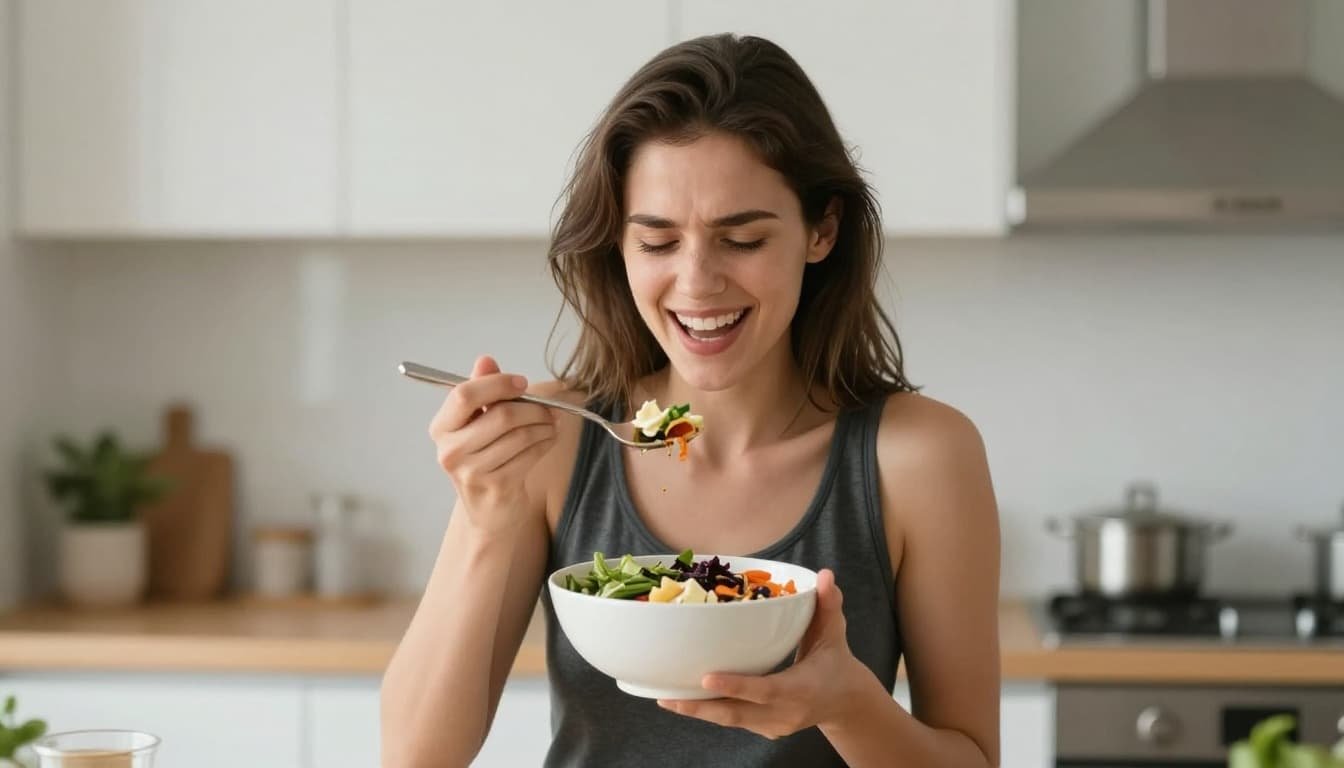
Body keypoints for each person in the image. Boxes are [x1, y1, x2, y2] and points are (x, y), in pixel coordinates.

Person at [381, 33, 1000, 768]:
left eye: (741, 240)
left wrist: (849, 705)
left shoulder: (920, 458)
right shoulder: (556, 441)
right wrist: (487, 517)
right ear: (617, 243)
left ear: (821, 230)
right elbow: (413, 756)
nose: (697, 282)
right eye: (658, 242)